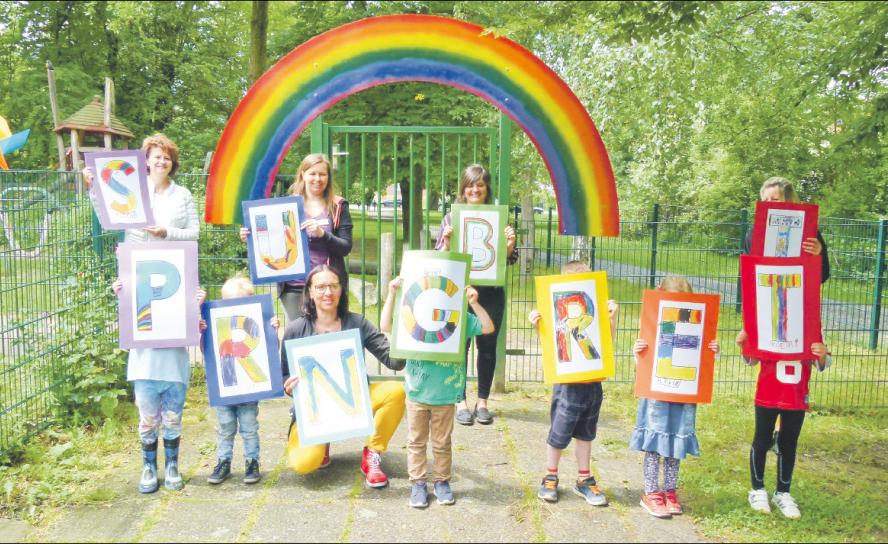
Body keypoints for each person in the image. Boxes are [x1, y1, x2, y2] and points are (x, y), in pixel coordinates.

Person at [86, 133, 201, 493]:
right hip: (138, 282)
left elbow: (194, 234)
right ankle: (149, 468)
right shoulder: (132, 191)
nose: (161, 162)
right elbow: (108, 213)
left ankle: (172, 467)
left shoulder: (182, 195)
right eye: (156, 157)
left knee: (172, 381)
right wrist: (92, 186)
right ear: (145, 161)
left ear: (172, 163)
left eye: (167, 157)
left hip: (174, 277)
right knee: (147, 384)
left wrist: (167, 231)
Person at [279, 264, 405, 488]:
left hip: (354, 400)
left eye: (333, 286)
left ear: (341, 290)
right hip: (314, 411)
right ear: (309, 292)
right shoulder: (295, 329)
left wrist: (406, 328)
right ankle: (323, 440)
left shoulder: (357, 323)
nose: (327, 292)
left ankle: (372, 453)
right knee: (304, 465)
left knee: (396, 392)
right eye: (320, 287)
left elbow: (394, 361)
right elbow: (285, 375)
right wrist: (288, 386)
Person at [380, 275, 495, 508]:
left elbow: (487, 327)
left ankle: (442, 482)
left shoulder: (456, 319)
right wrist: (392, 294)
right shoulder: (411, 318)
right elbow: (385, 326)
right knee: (416, 442)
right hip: (416, 394)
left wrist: (473, 302)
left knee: (442, 443)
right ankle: (418, 483)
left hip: (444, 395)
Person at [629, 276, 721, 519]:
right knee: (654, 445)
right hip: (656, 399)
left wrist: (712, 353)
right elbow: (643, 365)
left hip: (683, 397)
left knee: (675, 446)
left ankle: (670, 491)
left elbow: (700, 362)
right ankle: (650, 492)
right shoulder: (657, 325)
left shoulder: (693, 326)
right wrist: (639, 353)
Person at [528, 260, 617, 506]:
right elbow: (552, 346)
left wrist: (612, 318)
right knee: (558, 433)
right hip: (567, 386)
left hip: (592, 385)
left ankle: (583, 479)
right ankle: (550, 475)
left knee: (586, 434)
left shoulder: (595, 311)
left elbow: (606, 342)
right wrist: (538, 324)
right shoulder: (558, 313)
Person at [436, 164, 517, 426]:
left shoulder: (499, 218)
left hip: (491, 293)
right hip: (459, 290)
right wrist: (447, 242)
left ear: (486, 189)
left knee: (488, 346)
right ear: (463, 188)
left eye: (480, 185)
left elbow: (509, 260)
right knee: (459, 346)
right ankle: (459, 400)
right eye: (470, 184)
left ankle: (483, 402)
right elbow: (441, 258)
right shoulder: (450, 218)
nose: (474, 189)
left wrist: (510, 245)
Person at [240, 153, 353, 323]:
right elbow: (272, 238)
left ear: (328, 177)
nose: (317, 178)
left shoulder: (338, 206)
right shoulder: (286, 206)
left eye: (322, 174)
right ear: (303, 175)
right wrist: (251, 237)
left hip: (326, 287)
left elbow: (345, 247)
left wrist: (323, 235)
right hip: (294, 286)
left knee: (327, 336)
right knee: (299, 340)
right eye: (312, 173)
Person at [736, 329, 831, 519]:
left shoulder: (808, 325)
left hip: (795, 396)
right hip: (767, 393)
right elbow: (752, 359)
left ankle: (783, 492)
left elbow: (823, 362)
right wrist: (743, 345)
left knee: (788, 444)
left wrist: (822, 355)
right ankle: (757, 490)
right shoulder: (766, 322)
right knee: (761, 441)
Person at [200, 276, 280, 486]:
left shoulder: (256, 323)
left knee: (249, 427)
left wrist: (272, 330)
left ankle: (252, 462)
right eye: (229, 301)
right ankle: (223, 462)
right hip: (225, 387)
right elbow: (206, 351)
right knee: (225, 428)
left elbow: (270, 350)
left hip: (249, 388)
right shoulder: (216, 323)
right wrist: (203, 333)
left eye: (241, 301)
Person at [742, 176, 829, 283]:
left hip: (797, 294)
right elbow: (747, 273)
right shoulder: (753, 232)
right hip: (763, 294)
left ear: (789, 201)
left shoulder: (808, 232)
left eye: (775, 199)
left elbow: (822, 276)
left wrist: (818, 253)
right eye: (765, 200)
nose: (769, 203)